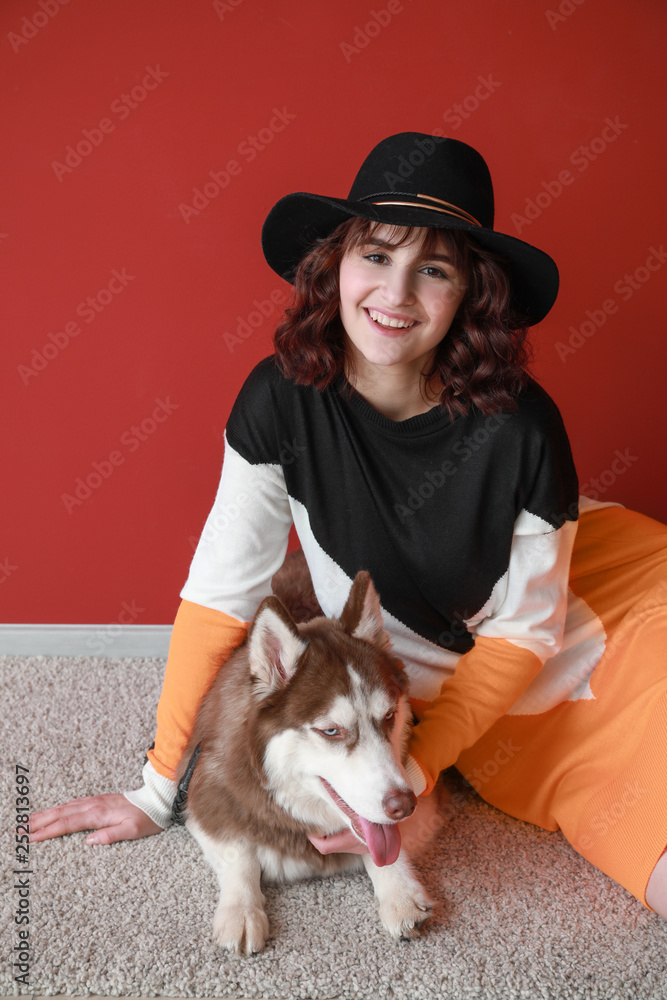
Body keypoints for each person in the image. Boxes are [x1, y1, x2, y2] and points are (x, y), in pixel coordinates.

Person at [30, 132, 667, 917]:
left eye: (432, 269)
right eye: (375, 255)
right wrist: (160, 786)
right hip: (490, 687)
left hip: (583, 612)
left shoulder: (523, 428)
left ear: (470, 292)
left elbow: (526, 631)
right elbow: (219, 597)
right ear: (334, 264)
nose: (395, 294)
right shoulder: (279, 399)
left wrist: (414, 767)